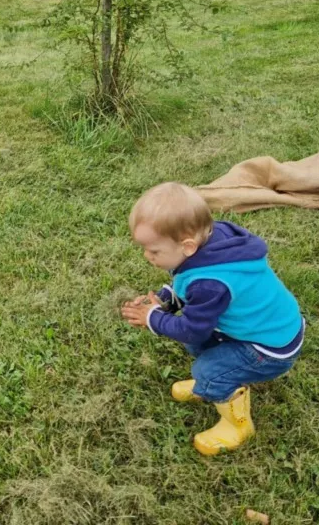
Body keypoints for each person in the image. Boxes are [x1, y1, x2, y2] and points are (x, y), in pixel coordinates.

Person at [121, 182, 304, 456]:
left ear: (187, 246)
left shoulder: (211, 281)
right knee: (198, 348)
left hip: (269, 349)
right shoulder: (210, 243)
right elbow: (189, 285)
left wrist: (152, 318)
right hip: (262, 327)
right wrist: (165, 300)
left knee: (207, 371)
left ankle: (237, 424)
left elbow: (192, 328)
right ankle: (213, 382)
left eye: (154, 251)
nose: (147, 256)